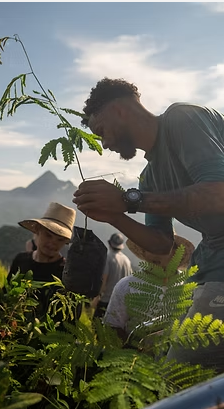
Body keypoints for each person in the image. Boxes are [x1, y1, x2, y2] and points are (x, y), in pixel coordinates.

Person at [73, 77, 224, 370]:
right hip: (213, 265)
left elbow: (219, 192)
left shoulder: (182, 118)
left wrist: (129, 201)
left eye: (101, 131)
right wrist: (114, 215)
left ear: (119, 110)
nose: (104, 144)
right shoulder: (149, 177)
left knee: (174, 376)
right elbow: (161, 243)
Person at [104, 235, 194, 342]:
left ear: (176, 253)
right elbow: (112, 326)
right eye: (148, 247)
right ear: (144, 252)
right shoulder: (127, 286)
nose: (153, 254)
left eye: (161, 248)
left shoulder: (188, 288)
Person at [7, 202, 76, 319]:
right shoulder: (21, 260)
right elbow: (6, 295)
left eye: (59, 240)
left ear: (65, 242)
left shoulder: (66, 274)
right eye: (48, 235)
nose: (52, 243)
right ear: (38, 230)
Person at [94, 232, 132, 318]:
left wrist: (97, 296)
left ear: (110, 243)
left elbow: (104, 278)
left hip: (106, 301)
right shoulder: (127, 260)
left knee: (96, 328)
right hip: (121, 303)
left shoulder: (108, 257)